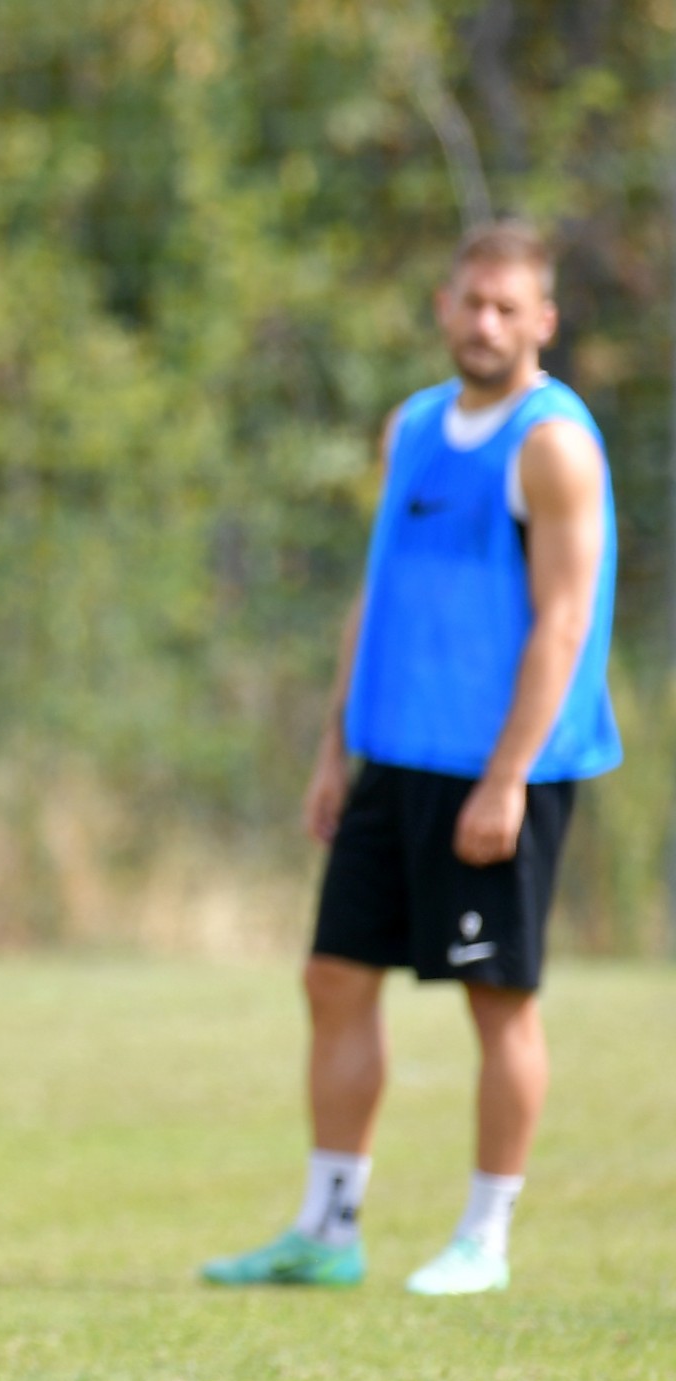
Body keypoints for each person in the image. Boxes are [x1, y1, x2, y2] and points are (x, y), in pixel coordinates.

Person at [203, 220, 618, 1298]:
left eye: (505, 307)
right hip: (390, 759)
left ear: (541, 322)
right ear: (442, 307)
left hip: (495, 769)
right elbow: (375, 594)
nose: (482, 323)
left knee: (497, 1004)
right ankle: (326, 1227)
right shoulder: (413, 427)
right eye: (467, 301)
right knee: (333, 979)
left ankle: (485, 1237)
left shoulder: (551, 443)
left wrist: (505, 777)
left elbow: (563, 624)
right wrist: (335, 748)